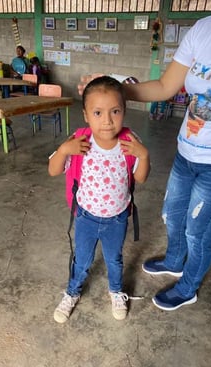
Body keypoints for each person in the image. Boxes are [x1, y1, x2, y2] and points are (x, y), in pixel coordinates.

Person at [78, 0, 211, 311]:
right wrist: (110, 89)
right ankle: (174, 260)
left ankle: (188, 286)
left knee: (200, 233)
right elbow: (165, 86)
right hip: (187, 153)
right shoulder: (204, 29)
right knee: (173, 215)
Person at [49, 76, 150, 323]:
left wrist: (144, 155)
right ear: (85, 115)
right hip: (85, 216)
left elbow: (141, 177)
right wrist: (63, 150)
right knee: (82, 259)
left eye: (115, 111)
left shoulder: (130, 141)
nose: (107, 120)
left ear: (124, 111)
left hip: (117, 218)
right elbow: (53, 170)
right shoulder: (80, 141)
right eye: (97, 112)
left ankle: (116, 291)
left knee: (114, 259)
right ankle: (72, 292)